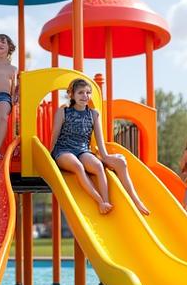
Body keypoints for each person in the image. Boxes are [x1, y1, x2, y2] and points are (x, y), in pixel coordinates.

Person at [49, 78, 150, 216]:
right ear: (72, 95)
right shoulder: (63, 112)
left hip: (83, 150)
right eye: (80, 93)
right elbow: (54, 135)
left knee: (98, 166)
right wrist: (50, 154)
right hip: (63, 150)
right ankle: (99, 201)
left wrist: (106, 157)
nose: (85, 96)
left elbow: (100, 141)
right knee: (78, 166)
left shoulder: (93, 114)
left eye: (88, 92)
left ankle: (108, 202)